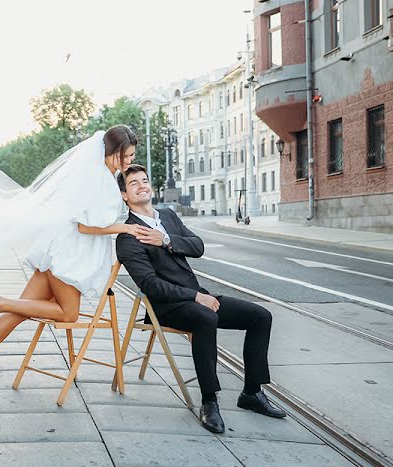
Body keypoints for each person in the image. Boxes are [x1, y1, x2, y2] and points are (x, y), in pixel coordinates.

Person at [0, 126, 149, 396]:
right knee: (68, 313)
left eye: (132, 155)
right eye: (126, 155)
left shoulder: (99, 175)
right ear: (112, 152)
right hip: (70, 257)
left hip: (58, 252)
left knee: (20, 313)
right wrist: (124, 228)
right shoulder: (101, 180)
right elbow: (84, 226)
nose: (129, 161)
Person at [114, 164, 286, 433]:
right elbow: (150, 285)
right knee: (206, 317)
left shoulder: (168, 218)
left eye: (144, 180)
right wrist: (195, 296)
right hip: (167, 307)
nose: (142, 185)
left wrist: (167, 240)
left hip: (197, 298)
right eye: (133, 183)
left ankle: (252, 393)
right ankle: (209, 401)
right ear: (125, 195)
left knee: (260, 316)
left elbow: (198, 247)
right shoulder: (128, 235)